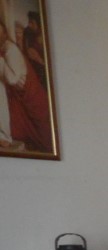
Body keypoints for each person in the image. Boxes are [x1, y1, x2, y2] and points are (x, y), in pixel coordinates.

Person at [0, 19, 51, 153]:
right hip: (19, 93)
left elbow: (12, 79)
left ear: (4, 34)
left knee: (42, 126)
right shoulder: (3, 48)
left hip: (30, 92)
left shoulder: (10, 50)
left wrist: (1, 62)